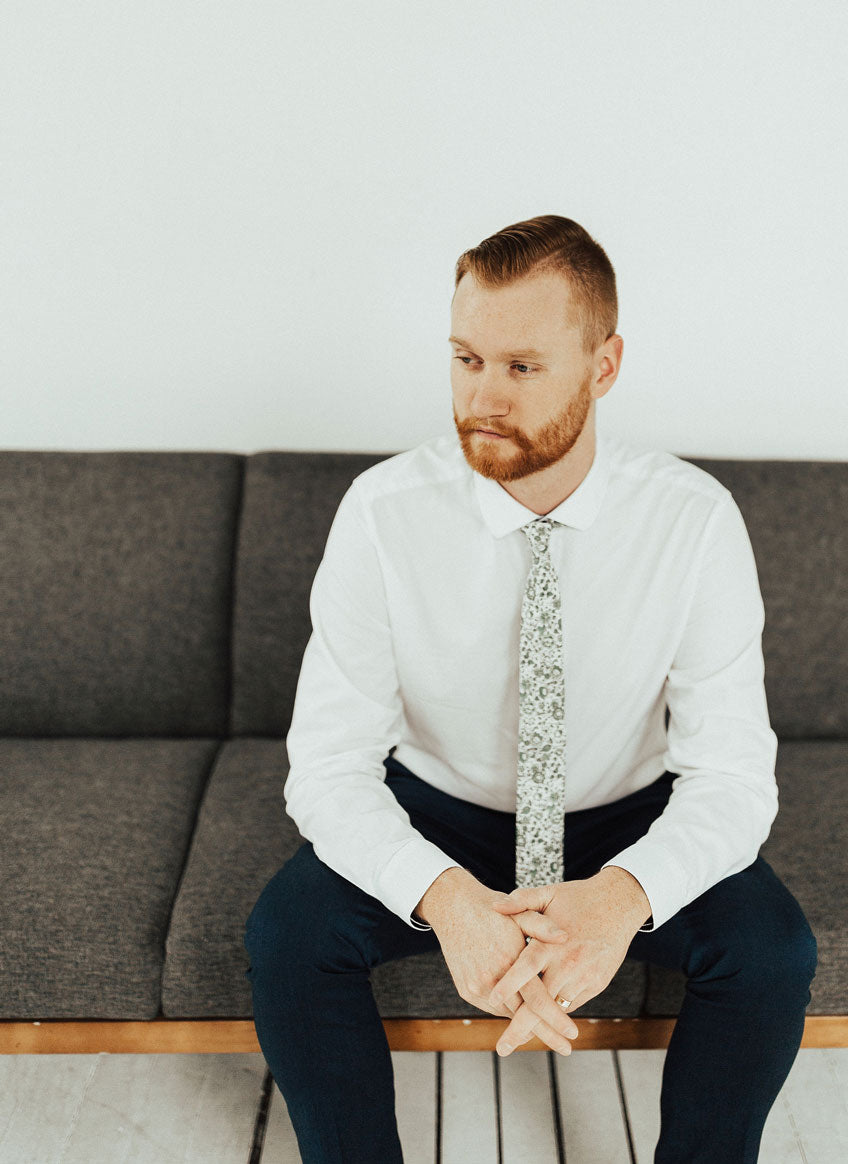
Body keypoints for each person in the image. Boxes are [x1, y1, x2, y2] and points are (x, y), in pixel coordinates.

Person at [244, 213, 818, 1164]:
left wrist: (625, 897)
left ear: (605, 364)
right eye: (467, 359)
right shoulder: (383, 514)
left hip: (622, 813)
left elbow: (732, 779)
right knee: (287, 937)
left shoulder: (696, 522)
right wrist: (450, 902)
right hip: (441, 810)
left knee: (770, 951)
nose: (483, 397)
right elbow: (328, 768)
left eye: (522, 367)